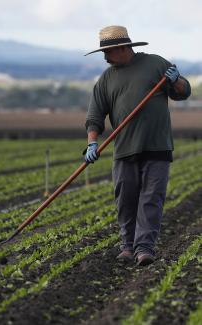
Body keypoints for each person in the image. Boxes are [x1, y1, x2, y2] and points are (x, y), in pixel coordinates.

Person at [84, 26, 191, 266]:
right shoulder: (106, 79)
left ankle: (145, 248)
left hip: (157, 146)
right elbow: (94, 116)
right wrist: (92, 143)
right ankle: (127, 247)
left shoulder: (155, 64)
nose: (105, 57)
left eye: (108, 51)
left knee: (151, 198)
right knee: (126, 200)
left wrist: (177, 81)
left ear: (122, 48)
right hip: (123, 149)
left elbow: (182, 93)